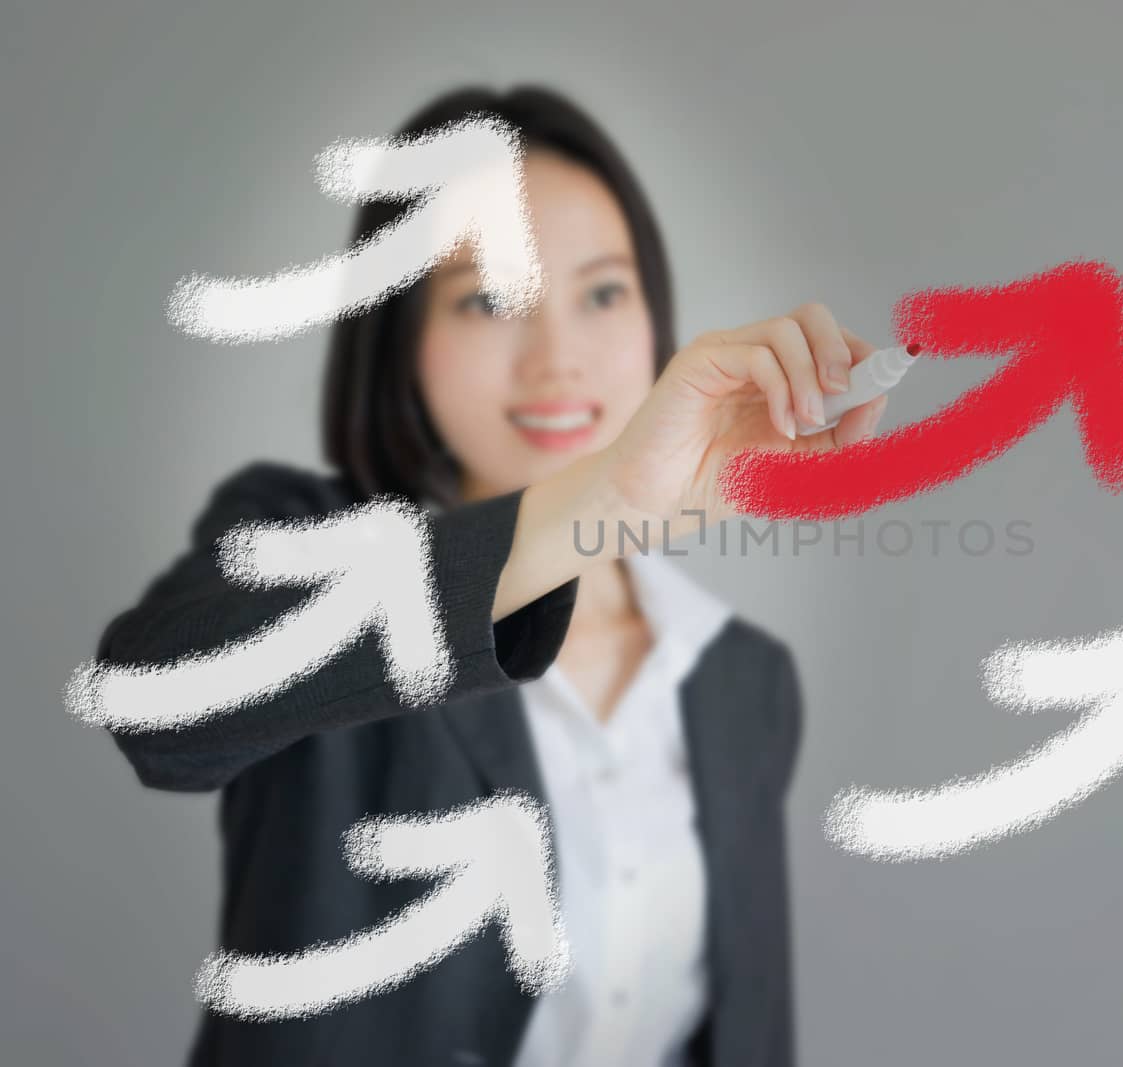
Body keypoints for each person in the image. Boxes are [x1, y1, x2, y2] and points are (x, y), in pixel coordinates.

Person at [91, 85, 891, 1067]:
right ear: (400, 338)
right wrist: (601, 503)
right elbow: (157, 712)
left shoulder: (741, 679)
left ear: (655, 321)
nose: (556, 359)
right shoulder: (300, 542)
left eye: (603, 292)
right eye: (486, 299)